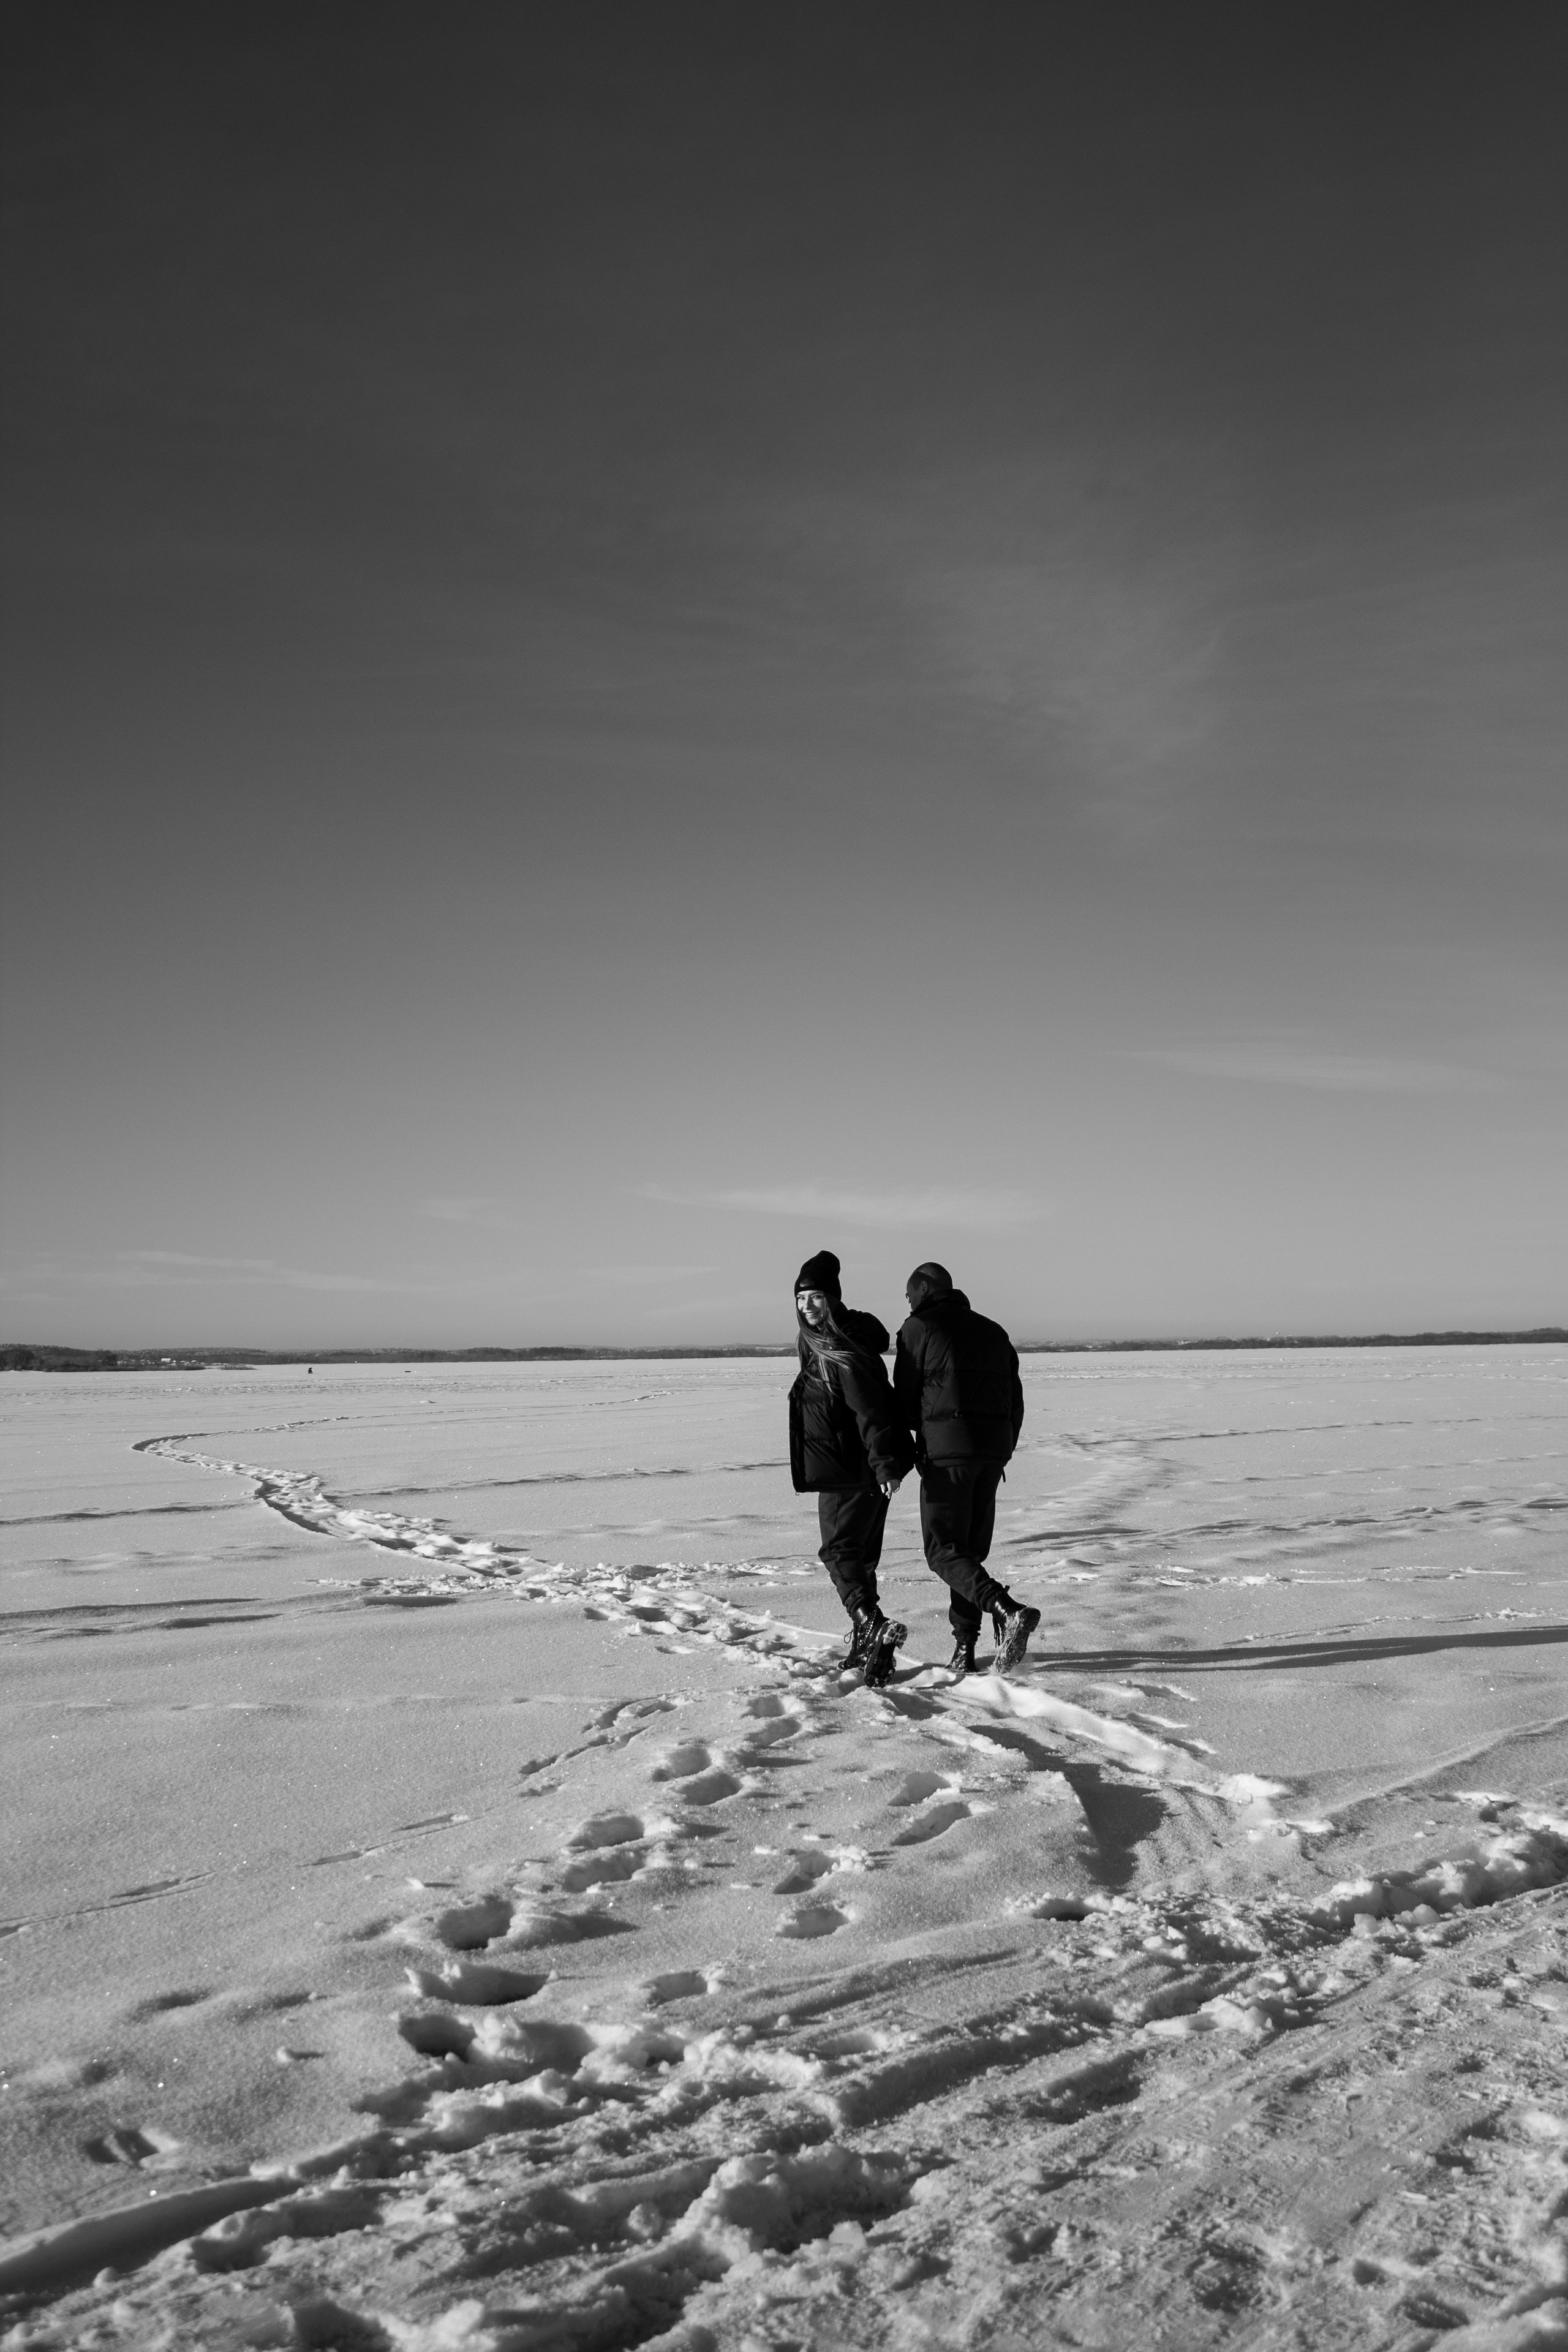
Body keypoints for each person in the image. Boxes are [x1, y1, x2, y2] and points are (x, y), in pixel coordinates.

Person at [894, 1261, 1040, 1676]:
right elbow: (1016, 1399)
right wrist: (1003, 1447)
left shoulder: (919, 1329)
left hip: (948, 1454)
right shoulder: (994, 1331)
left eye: (909, 1296)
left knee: (943, 1551)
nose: (908, 1304)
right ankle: (964, 1649)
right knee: (968, 1553)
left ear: (923, 1289)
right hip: (992, 1454)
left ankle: (1008, 1610)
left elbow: (904, 1402)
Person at [788, 1250, 916, 1689]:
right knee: (860, 1557)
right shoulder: (822, 1342)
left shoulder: (840, 1348)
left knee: (839, 1552)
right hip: (854, 1464)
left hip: (853, 1468)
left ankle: (872, 1624)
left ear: (834, 1300)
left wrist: (884, 1467)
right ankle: (866, 1643)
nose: (808, 1305)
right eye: (802, 1298)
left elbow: (871, 1410)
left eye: (817, 1297)